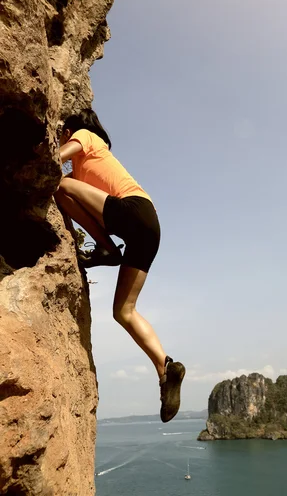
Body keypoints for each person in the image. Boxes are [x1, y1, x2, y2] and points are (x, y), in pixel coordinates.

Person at [55, 108, 185, 423]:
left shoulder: (86, 137)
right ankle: (165, 368)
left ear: (70, 129)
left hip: (133, 210)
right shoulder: (83, 169)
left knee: (60, 186)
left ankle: (108, 249)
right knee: (123, 311)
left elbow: (56, 160)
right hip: (148, 227)